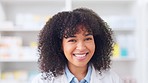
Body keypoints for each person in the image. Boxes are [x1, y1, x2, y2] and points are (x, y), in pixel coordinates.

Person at [32, 8, 123, 83]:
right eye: (72, 40)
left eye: (87, 39)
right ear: (60, 45)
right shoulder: (41, 81)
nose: (81, 47)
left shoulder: (112, 79)